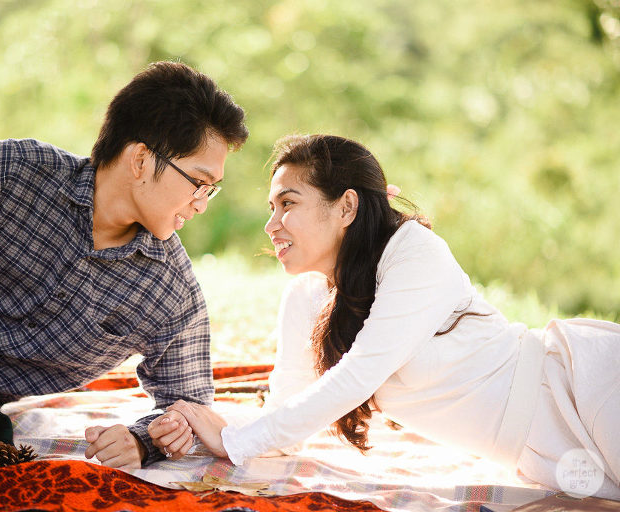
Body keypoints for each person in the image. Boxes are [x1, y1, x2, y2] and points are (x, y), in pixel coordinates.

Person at [148, 134, 620, 499]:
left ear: (347, 206)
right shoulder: (305, 298)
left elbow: (358, 375)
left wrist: (233, 441)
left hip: (582, 386)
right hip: (541, 457)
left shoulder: (415, 254)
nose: (272, 225)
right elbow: (284, 422)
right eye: (271, 208)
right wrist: (203, 426)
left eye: (288, 204)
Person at [0, 61, 248, 473]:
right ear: (141, 160)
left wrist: (143, 440)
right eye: (198, 183)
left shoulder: (171, 292)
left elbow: (189, 406)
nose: (202, 203)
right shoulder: (13, 170)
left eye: (211, 190)